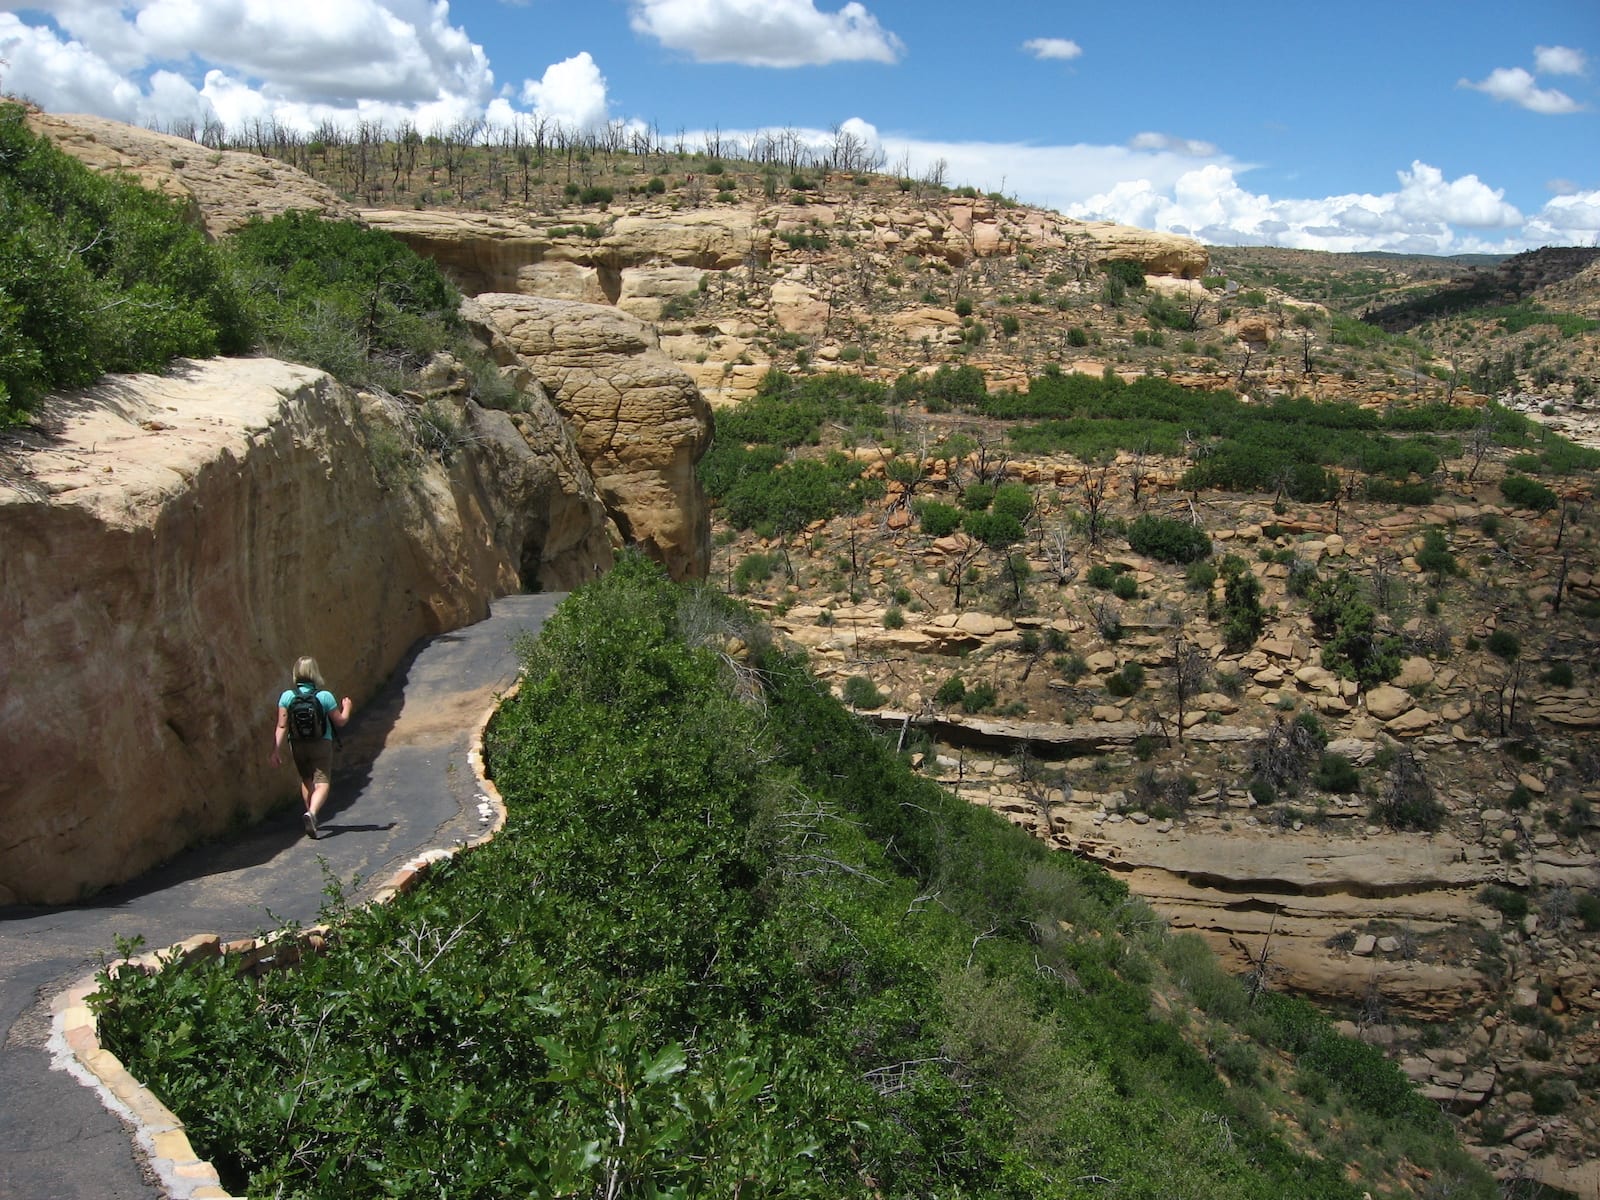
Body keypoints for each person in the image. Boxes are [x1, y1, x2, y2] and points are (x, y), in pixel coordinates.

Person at [269, 656, 353, 839]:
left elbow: (282, 726)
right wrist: (347, 707)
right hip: (321, 744)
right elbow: (341, 721)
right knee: (322, 783)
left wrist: (275, 751)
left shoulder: (287, 697)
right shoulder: (324, 696)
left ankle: (310, 816)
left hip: (297, 745)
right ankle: (312, 814)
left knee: (306, 779)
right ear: (314, 673)